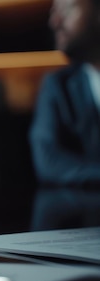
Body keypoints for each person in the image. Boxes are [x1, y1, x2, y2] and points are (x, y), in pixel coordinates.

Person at [29, 0, 100, 187]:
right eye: (54, 12)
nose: (55, 22)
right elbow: (47, 160)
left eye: (67, 10)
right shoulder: (57, 86)